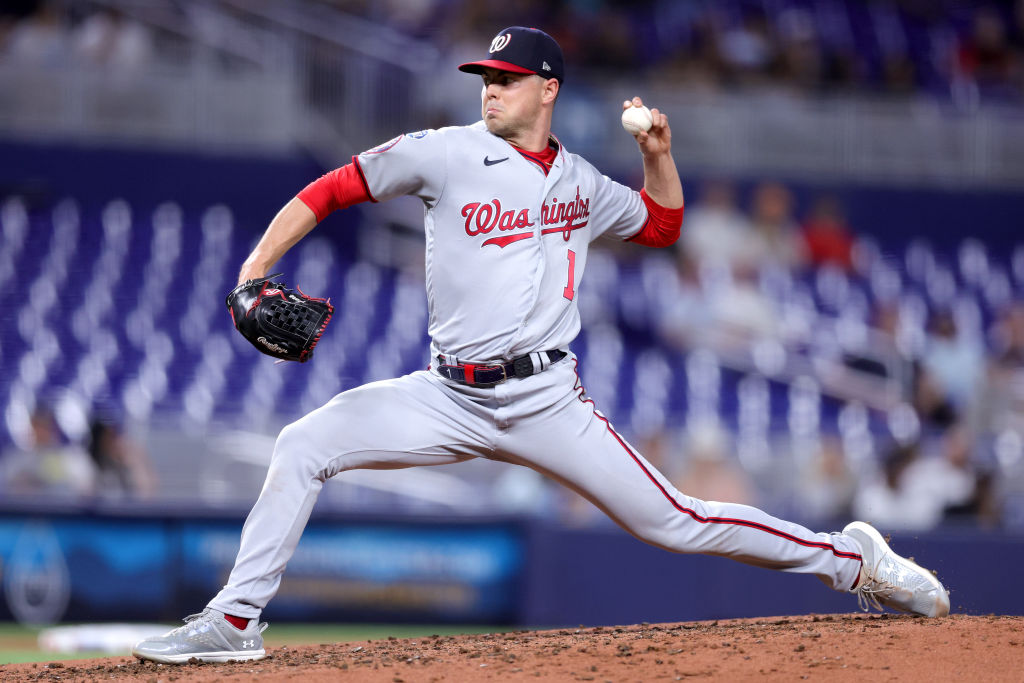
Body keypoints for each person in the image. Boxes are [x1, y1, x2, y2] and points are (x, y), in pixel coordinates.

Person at [132, 27, 949, 665]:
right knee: (303, 443)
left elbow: (663, 224)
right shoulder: (443, 152)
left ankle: (854, 560)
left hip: (548, 400)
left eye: (508, 80)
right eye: (486, 79)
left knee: (678, 521)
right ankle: (235, 619)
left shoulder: (583, 183)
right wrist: (255, 267)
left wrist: (657, 155)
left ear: (547, 89)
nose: (491, 90)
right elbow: (329, 188)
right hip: (446, 393)